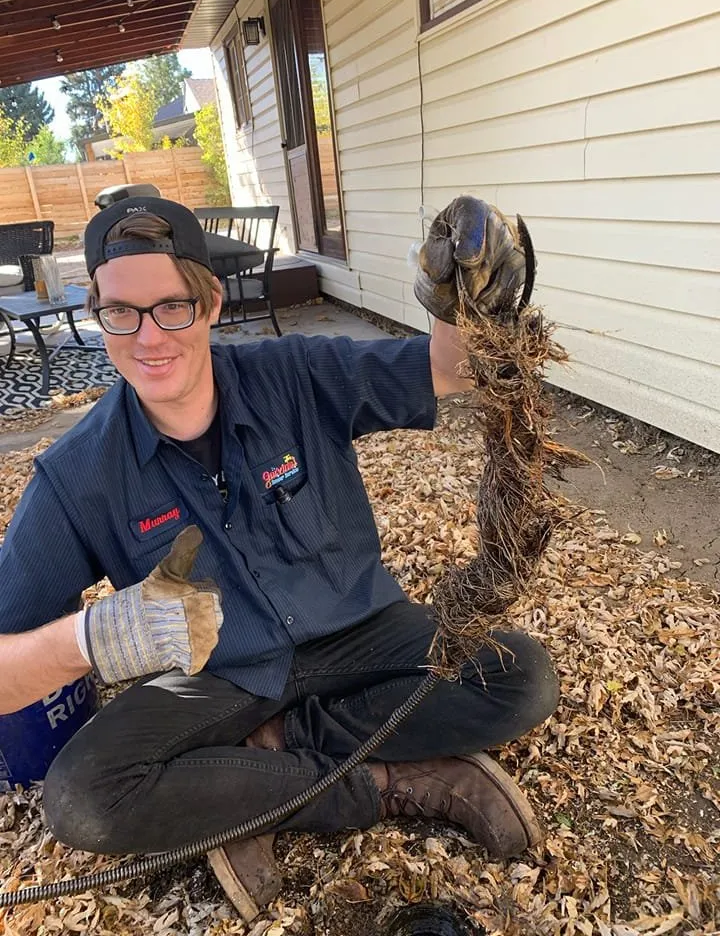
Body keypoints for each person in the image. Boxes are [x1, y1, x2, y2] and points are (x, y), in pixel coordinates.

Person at [0, 198, 559, 921]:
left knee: (520, 677)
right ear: (96, 315)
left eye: (171, 306)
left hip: (362, 632)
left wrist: (462, 304)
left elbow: (451, 371)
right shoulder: (79, 474)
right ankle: (386, 782)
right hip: (222, 678)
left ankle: (254, 773)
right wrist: (90, 637)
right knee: (83, 796)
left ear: (210, 302)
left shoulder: (296, 373)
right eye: (120, 313)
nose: (148, 336)